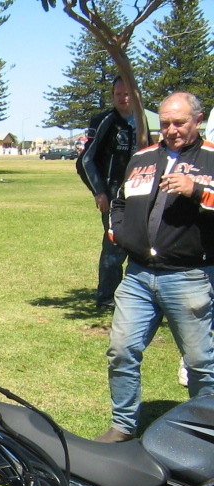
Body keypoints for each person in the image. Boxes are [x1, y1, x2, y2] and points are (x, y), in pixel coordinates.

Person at [97, 91, 214, 443]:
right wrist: (119, 232)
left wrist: (197, 190)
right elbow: (120, 201)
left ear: (198, 120)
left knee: (199, 362)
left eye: (180, 122)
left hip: (189, 277)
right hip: (138, 275)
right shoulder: (143, 157)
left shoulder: (210, 158)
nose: (172, 130)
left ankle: (203, 433)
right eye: (165, 123)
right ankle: (123, 426)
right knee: (122, 350)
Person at [79, 76, 137, 310]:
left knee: (141, 245)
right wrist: (99, 191)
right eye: (118, 94)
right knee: (114, 245)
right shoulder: (105, 121)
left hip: (142, 193)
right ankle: (107, 298)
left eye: (127, 93)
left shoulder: (145, 120)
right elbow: (86, 160)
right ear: (112, 96)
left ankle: (137, 296)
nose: (123, 98)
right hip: (114, 194)